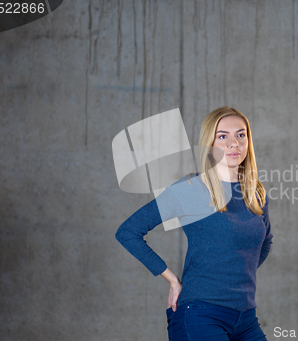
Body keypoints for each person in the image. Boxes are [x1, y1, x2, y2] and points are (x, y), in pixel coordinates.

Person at [115, 106, 273, 341]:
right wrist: (172, 279)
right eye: (223, 136)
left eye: (241, 135)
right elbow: (128, 232)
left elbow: (265, 243)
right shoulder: (192, 189)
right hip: (201, 315)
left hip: (246, 318)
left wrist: (233, 275)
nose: (234, 143)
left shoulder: (255, 192)